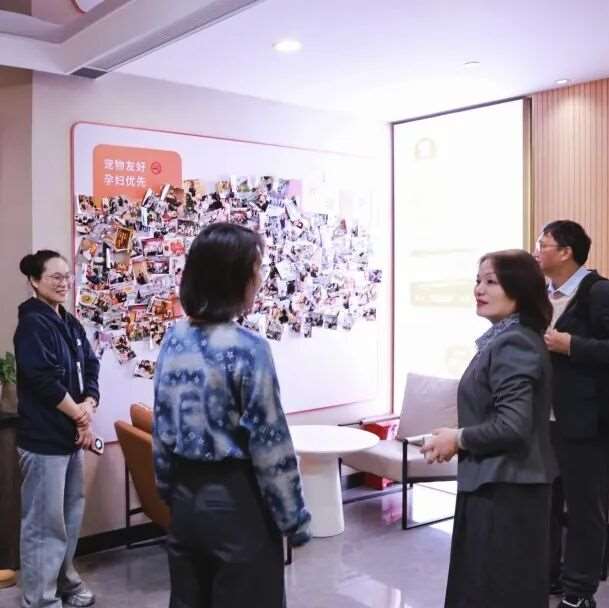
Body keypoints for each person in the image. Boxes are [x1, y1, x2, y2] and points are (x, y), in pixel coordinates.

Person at [153, 222, 311, 608]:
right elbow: (270, 443)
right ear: (233, 278)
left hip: (185, 503)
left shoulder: (174, 338)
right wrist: (294, 519)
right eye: (255, 269)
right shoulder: (248, 348)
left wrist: (169, 490)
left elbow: (162, 425)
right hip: (237, 505)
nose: (259, 279)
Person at [421, 250, 556, 608]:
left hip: (507, 488)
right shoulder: (505, 338)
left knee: (494, 591)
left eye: (491, 281)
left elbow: (513, 425)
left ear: (519, 289)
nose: (479, 289)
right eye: (478, 280)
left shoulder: (514, 342)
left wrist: (458, 439)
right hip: (496, 482)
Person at [14, 250, 100, 608]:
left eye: (67, 276)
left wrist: (89, 404)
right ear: (35, 281)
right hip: (44, 440)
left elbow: (91, 365)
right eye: (55, 277)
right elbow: (42, 379)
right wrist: (79, 416)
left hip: (70, 438)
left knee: (68, 518)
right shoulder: (32, 324)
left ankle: (65, 583)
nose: (64, 283)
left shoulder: (69, 321)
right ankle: (40, 599)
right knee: (43, 524)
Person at [534, 220, 609, 608]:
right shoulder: (542, 296)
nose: (536, 251)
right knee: (547, 504)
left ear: (565, 252)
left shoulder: (599, 292)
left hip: (587, 425)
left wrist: (572, 345)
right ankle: (550, 577)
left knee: (584, 509)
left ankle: (579, 592)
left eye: (542, 244)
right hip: (545, 420)